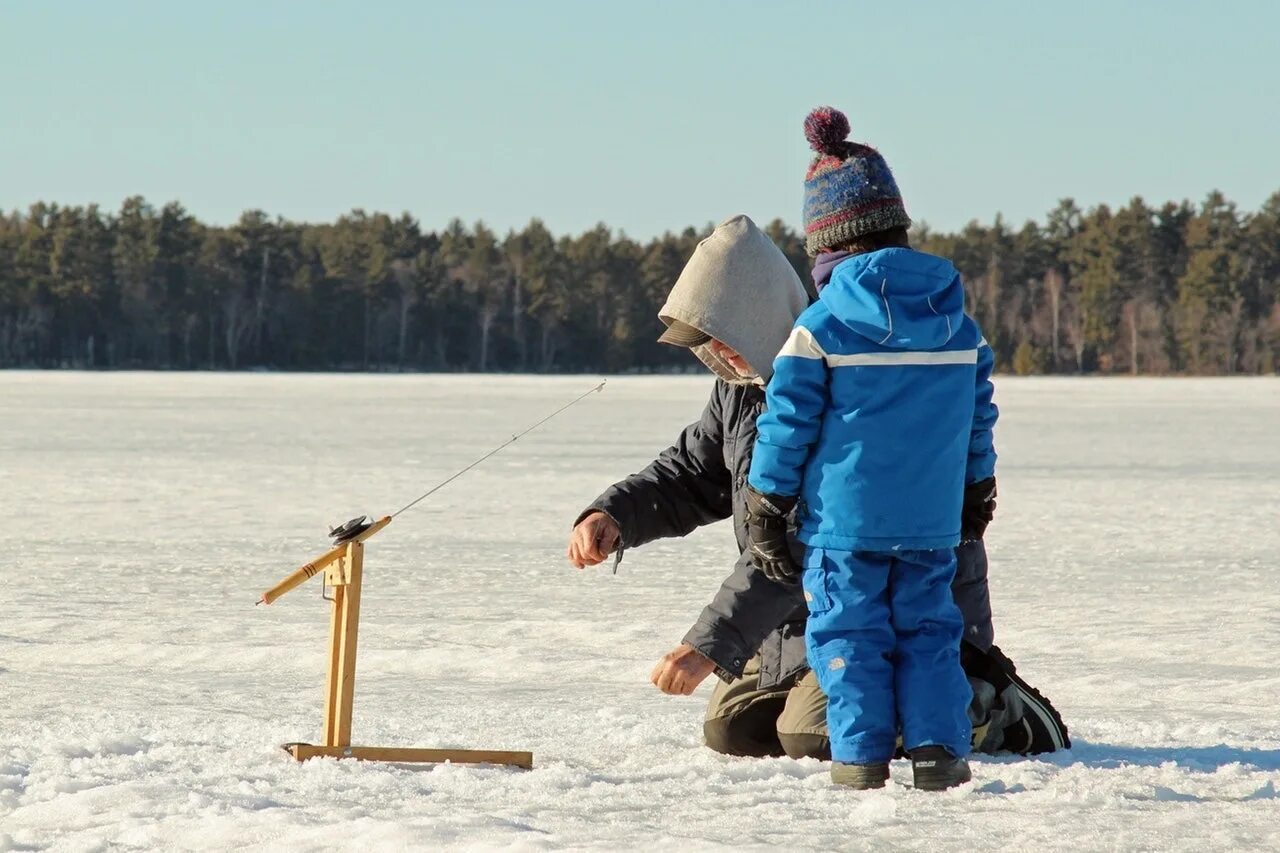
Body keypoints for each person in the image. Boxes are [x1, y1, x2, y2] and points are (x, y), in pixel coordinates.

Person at [566, 212, 1067, 767]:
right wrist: (615, 515)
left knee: (815, 736)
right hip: (803, 617)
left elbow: (803, 534)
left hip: (887, 604)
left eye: (722, 339)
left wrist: (707, 645)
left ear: (756, 319)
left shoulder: (833, 378)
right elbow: (691, 472)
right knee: (733, 730)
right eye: (706, 346)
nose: (718, 356)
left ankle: (990, 706)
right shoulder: (741, 390)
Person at [743, 106, 995, 791]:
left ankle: (860, 760)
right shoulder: (956, 324)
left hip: (845, 527)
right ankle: (939, 751)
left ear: (827, 247)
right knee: (929, 632)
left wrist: (768, 501)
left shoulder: (820, 326)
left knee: (849, 637)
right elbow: (978, 415)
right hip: (930, 523)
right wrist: (978, 487)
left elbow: (786, 422)